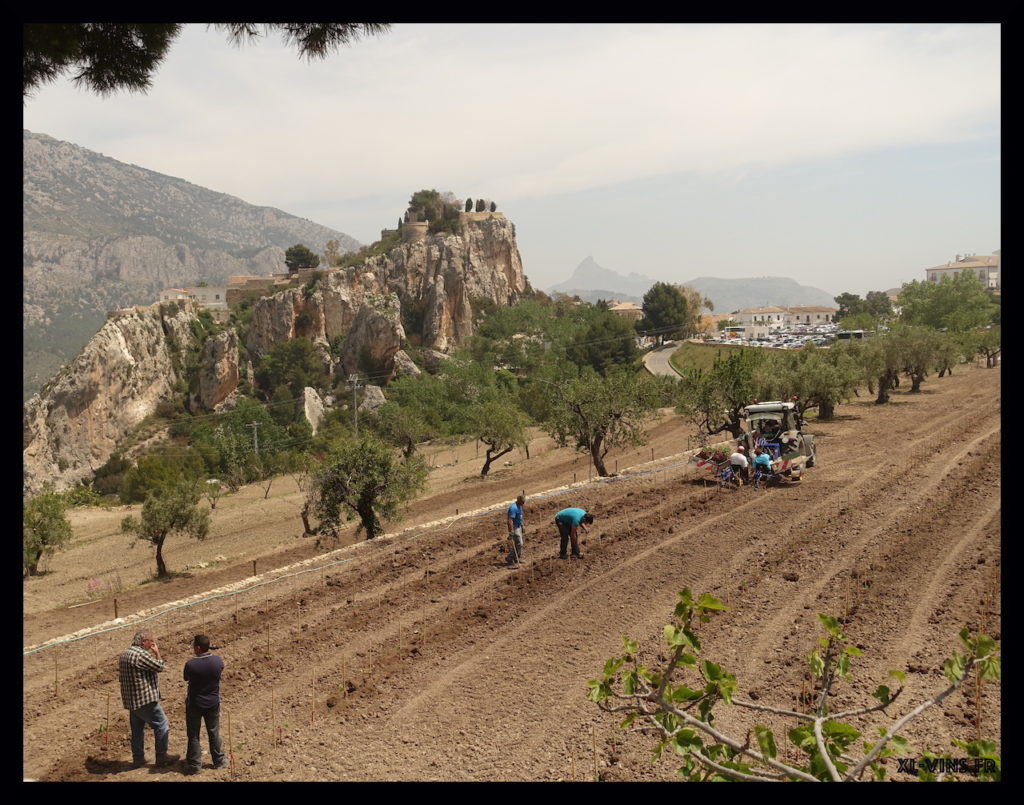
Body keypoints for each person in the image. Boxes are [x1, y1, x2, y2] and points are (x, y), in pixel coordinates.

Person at [118, 629, 179, 768]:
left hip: (131, 700)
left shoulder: (124, 654)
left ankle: (138, 758)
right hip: (145, 699)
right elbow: (159, 666)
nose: (152, 643)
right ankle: (161, 756)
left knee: (137, 730)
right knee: (162, 724)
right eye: (151, 641)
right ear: (143, 642)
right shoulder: (141, 655)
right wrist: (157, 653)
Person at [183, 634, 227, 775]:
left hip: (195, 704)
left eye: (194, 646)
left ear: (198, 647)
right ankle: (219, 761)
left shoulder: (191, 664)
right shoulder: (217, 661)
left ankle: (195, 766)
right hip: (213, 703)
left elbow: (186, 678)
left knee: (194, 735)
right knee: (213, 732)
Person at [505, 494, 526, 566]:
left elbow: (520, 516)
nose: (523, 504)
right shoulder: (513, 508)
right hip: (514, 527)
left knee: (520, 544)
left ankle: (516, 558)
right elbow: (510, 521)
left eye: (524, 502)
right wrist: (511, 532)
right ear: (518, 500)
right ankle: (509, 557)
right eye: (522, 502)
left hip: (518, 526)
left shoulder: (520, 506)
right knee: (519, 543)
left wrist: (522, 526)